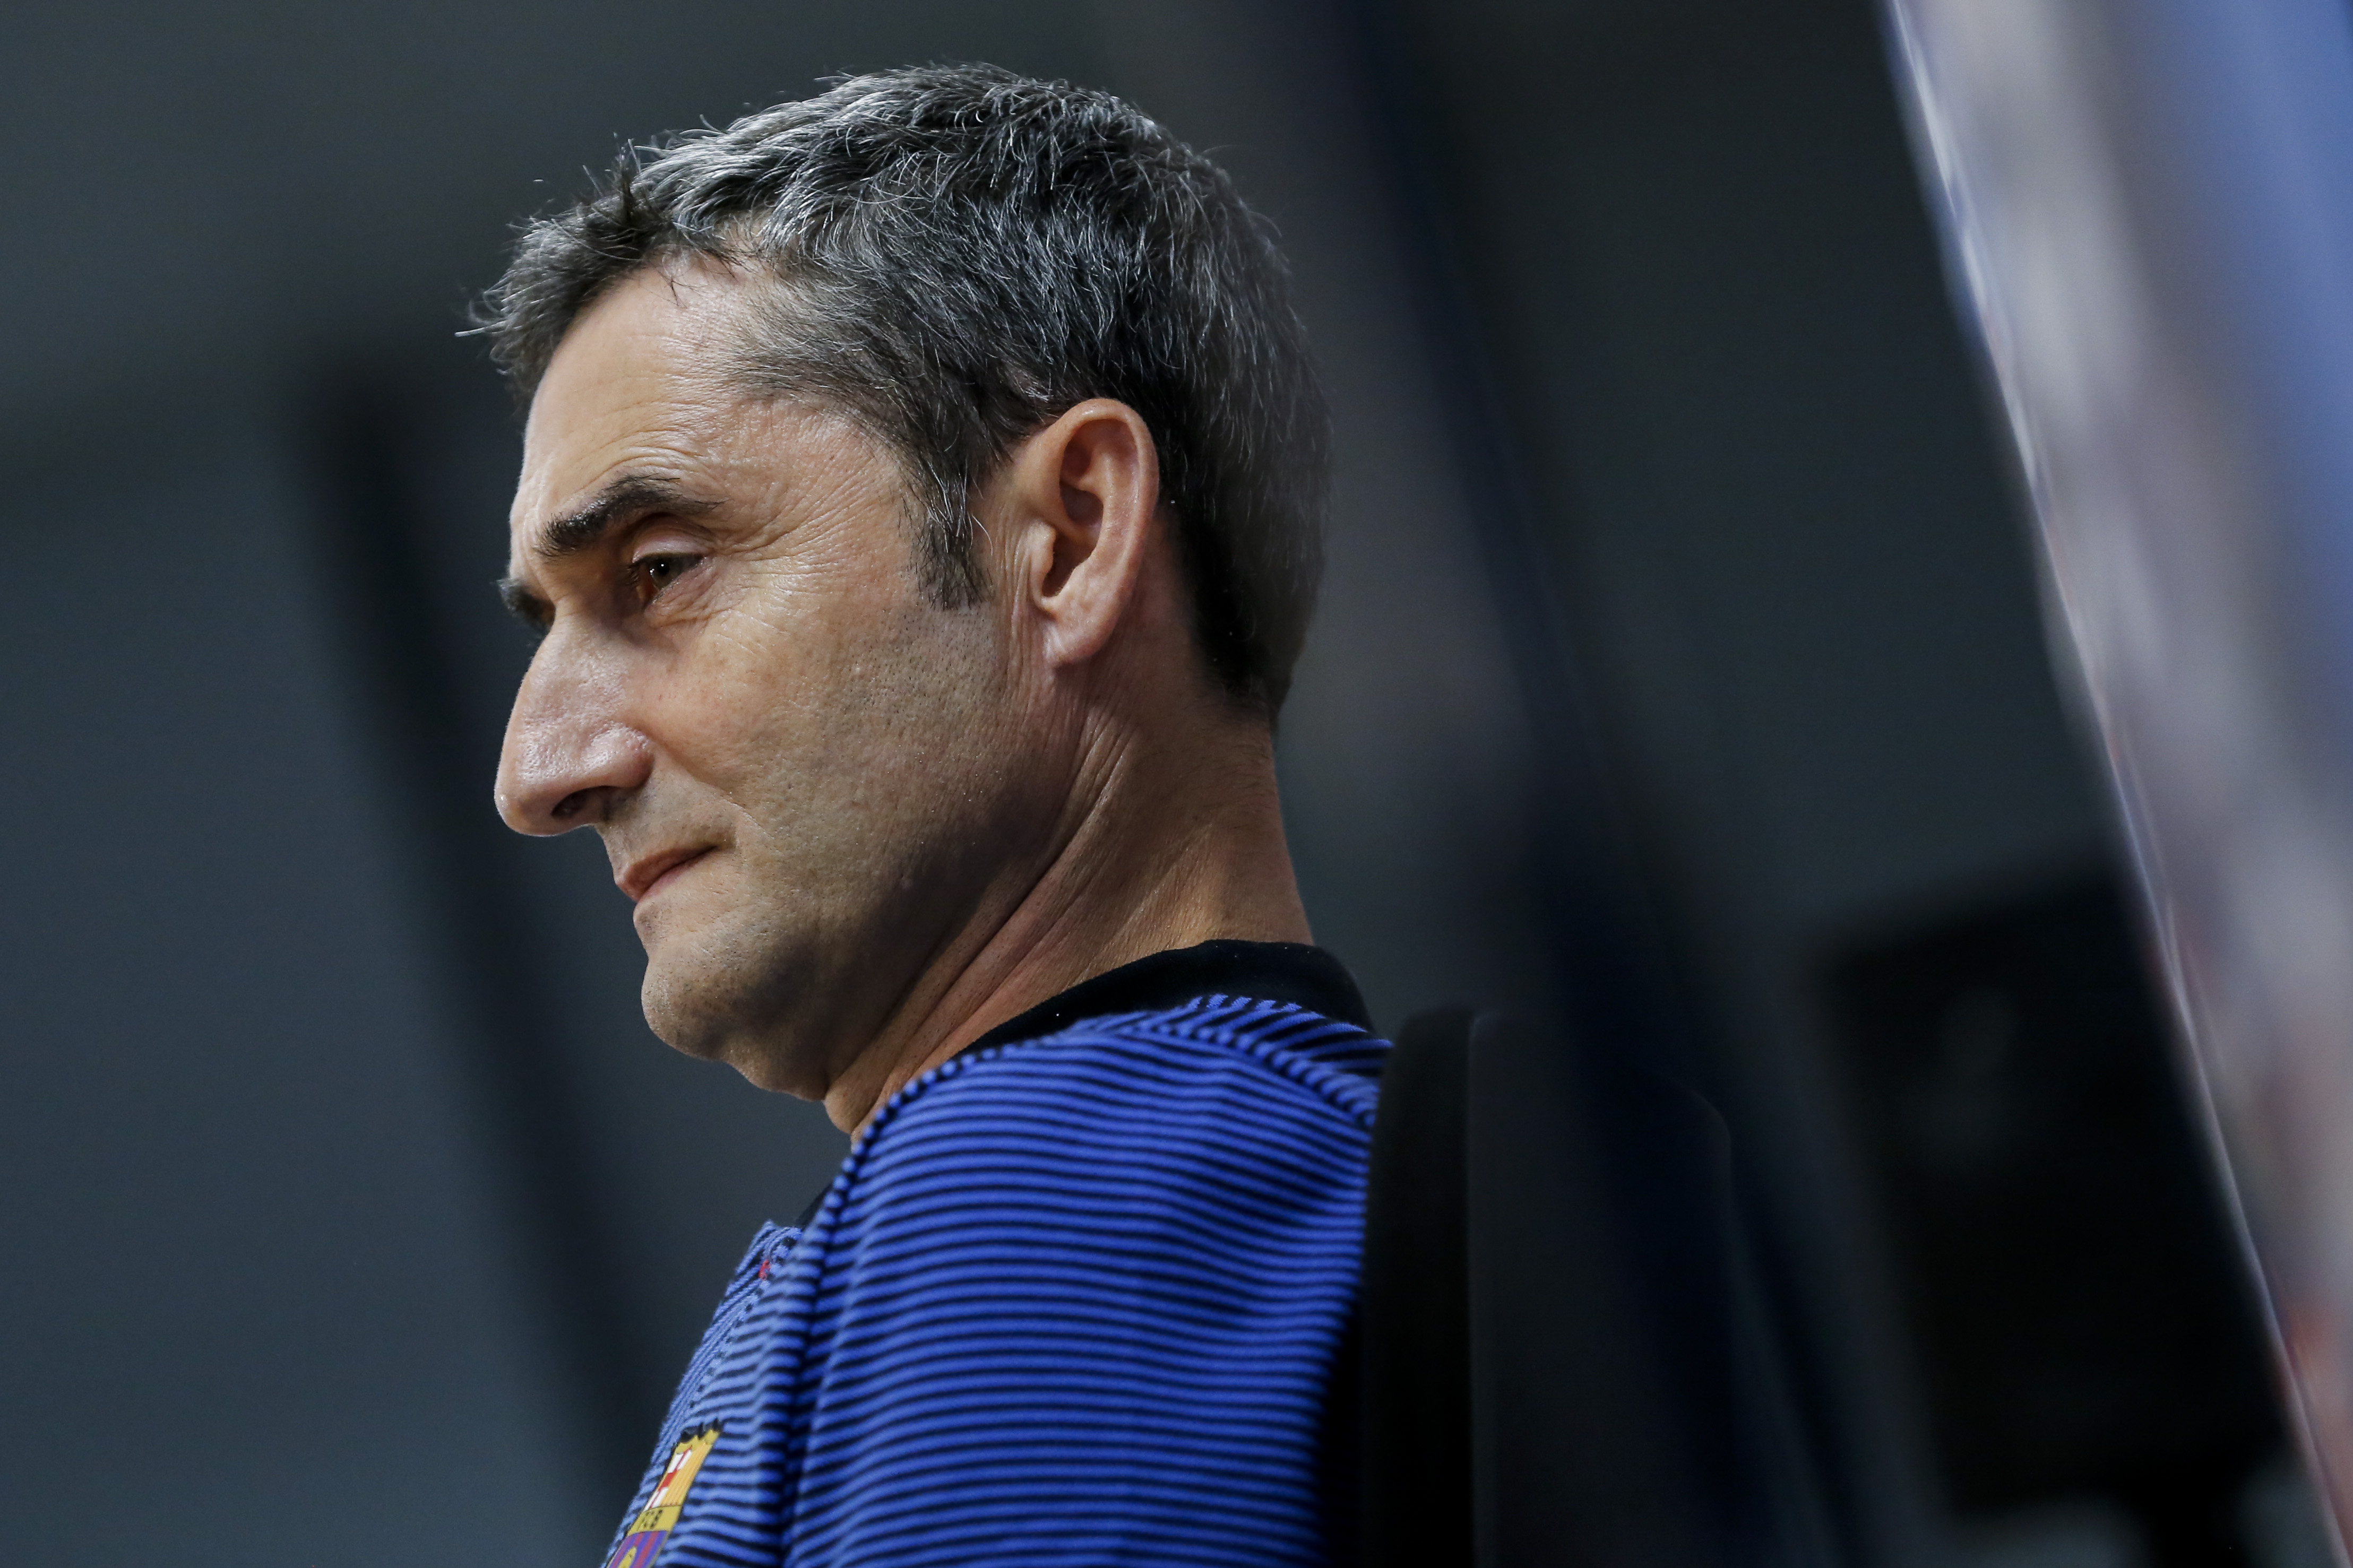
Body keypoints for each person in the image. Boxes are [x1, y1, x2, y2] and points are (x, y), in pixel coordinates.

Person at [481, 63, 1384, 1567]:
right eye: (545, 624)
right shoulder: (1061, 1174)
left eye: (657, 570)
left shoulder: (1055, 1181)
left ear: (1070, 535)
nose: (540, 770)